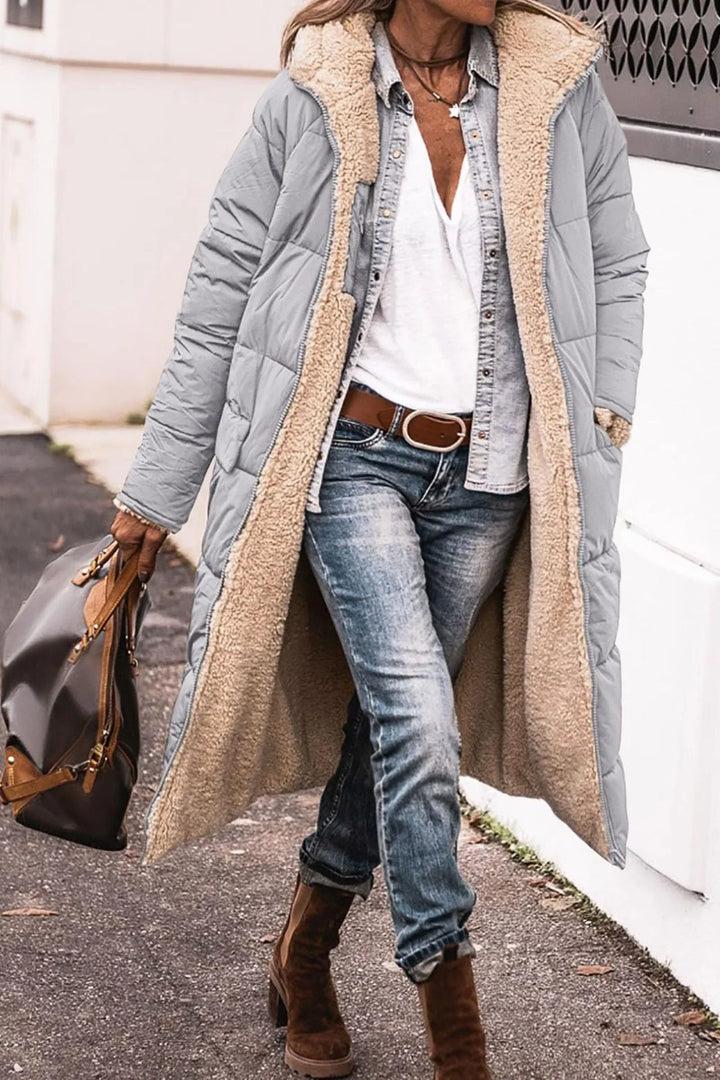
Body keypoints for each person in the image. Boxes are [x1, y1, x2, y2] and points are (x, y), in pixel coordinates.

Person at [110, 0, 650, 1075]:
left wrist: (602, 412)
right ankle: (457, 1028)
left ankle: (305, 949)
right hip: (354, 461)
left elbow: (620, 255)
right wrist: (153, 494)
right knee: (417, 716)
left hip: (489, 470)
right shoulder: (317, 94)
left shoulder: (556, 84)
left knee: (395, 730)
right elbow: (219, 293)